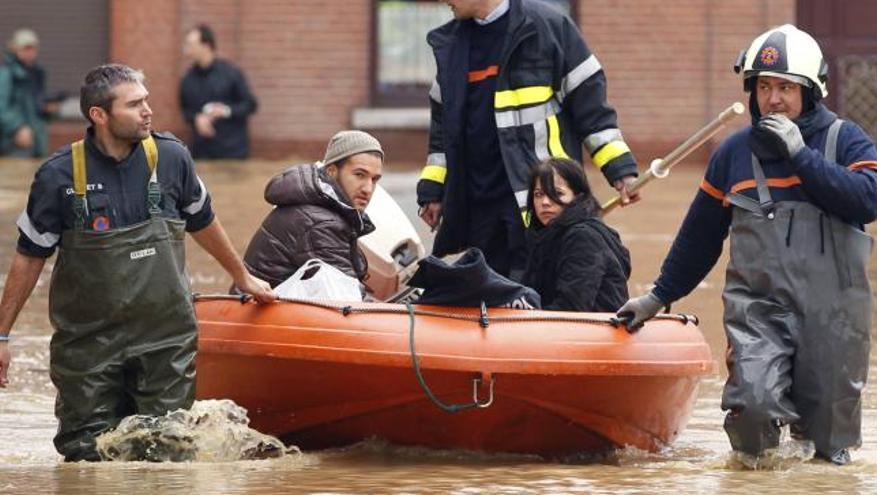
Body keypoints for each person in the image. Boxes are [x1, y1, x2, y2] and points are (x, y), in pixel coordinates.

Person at [617, 25, 877, 465]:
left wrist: (802, 156)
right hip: (760, 312)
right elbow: (700, 237)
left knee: (827, 452)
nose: (773, 98)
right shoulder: (733, 154)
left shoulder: (846, 141)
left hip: (834, 319)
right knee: (751, 410)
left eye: (785, 87)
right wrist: (658, 297)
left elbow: (867, 201)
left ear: (811, 92)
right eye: (763, 87)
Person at [0, 64, 275, 462]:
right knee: (87, 459)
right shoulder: (57, 176)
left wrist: (242, 275)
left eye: (146, 100)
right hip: (88, 347)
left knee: (169, 453)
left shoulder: (172, 157)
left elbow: (204, 222)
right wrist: (3, 335)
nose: (149, 110)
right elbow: (29, 259)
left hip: (165, 340)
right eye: (135, 104)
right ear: (100, 115)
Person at [417, 0, 640, 280]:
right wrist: (434, 192)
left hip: (539, 200)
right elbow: (442, 130)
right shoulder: (451, 45)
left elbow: (592, 111)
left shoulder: (548, 28)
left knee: (543, 297)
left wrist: (621, 171)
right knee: (489, 301)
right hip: (480, 207)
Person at [242, 130, 383, 288]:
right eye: (359, 175)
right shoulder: (320, 223)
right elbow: (348, 300)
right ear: (331, 171)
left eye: (375, 179)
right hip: (259, 310)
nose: (368, 189)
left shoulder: (320, 207)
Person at [522, 157, 630, 312]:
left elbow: (572, 307)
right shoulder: (543, 236)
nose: (545, 202)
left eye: (557, 193)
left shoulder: (583, 238)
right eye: (538, 194)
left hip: (594, 332)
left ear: (577, 196)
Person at [179, 24, 257, 159]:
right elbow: (186, 111)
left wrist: (226, 110)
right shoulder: (187, 78)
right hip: (202, 152)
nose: (187, 50)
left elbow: (251, 104)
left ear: (206, 45)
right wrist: (196, 118)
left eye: (191, 44)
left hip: (233, 152)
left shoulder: (231, 73)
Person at [0, 28, 57, 157]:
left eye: (33, 48)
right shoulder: (7, 74)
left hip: (37, 140)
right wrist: (17, 127)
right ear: (15, 49)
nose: (30, 52)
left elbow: (36, 105)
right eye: (25, 48)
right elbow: (2, 106)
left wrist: (48, 109)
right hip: (13, 142)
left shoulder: (37, 73)